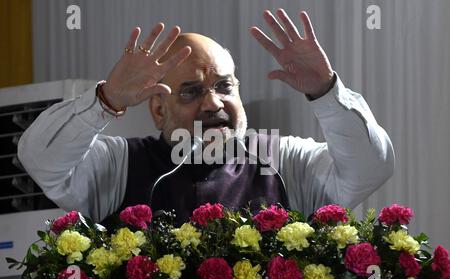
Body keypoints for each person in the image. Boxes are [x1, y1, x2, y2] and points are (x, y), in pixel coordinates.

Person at [18, 9, 394, 226]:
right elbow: (39, 158)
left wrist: (327, 92)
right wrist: (107, 99)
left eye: (224, 87)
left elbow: (371, 168)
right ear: (158, 108)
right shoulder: (117, 165)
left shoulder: (284, 160)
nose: (213, 104)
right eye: (192, 91)